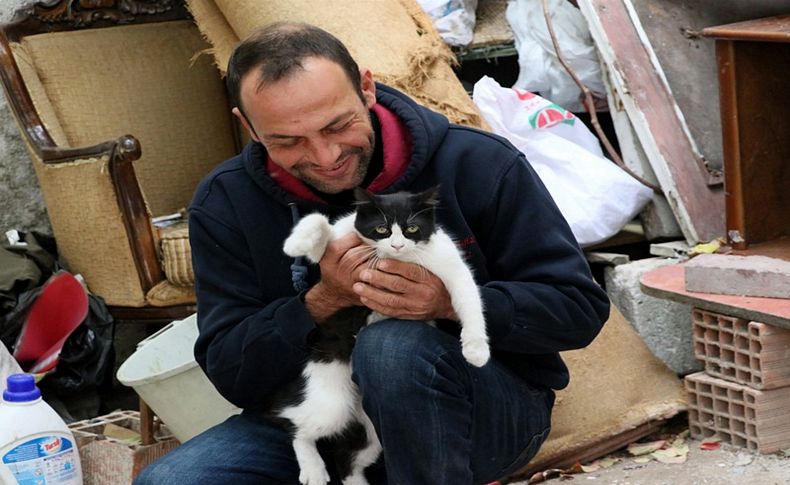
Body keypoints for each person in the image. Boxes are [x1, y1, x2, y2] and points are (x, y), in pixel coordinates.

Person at [135, 21, 610, 485]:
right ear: (249, 128)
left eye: (337, 126)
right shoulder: (226, 203)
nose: (324, 156)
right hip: (323, 421)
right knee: (173, 479)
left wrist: (448, 304)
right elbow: (230, 370)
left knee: (393, 348)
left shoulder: (479, 163)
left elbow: (577, 310)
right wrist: (323, 300)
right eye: (288, 141)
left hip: (483, 412)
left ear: (367, 88)